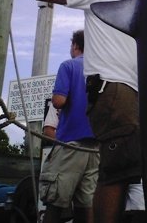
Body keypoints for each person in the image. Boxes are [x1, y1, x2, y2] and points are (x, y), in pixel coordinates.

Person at [0, 0, 143, 223]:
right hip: (112, 88)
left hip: (134, 93)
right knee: (116, 172)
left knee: (123, 172)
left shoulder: (137, 0)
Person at [39, 30, 99, 223]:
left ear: (75, 46)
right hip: (96, 148)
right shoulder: (101, 71)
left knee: (55, 199)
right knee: (86, 203)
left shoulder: (69, 66)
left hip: (71, 145)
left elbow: (58, 101)